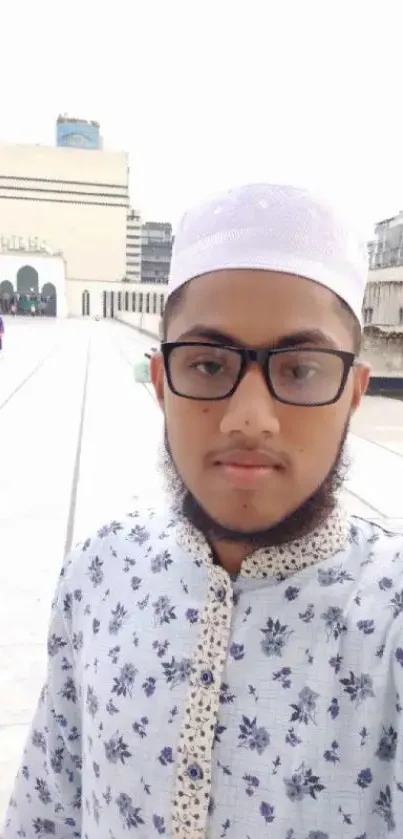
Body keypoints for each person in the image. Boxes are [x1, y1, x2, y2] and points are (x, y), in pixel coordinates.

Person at [3, 183, 403, 839]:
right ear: (161, 383)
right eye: (209, 364)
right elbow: (45, 812)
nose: (250, 418)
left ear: (353, 394)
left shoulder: (385, 613)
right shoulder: (100, 574)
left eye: (300, 369)